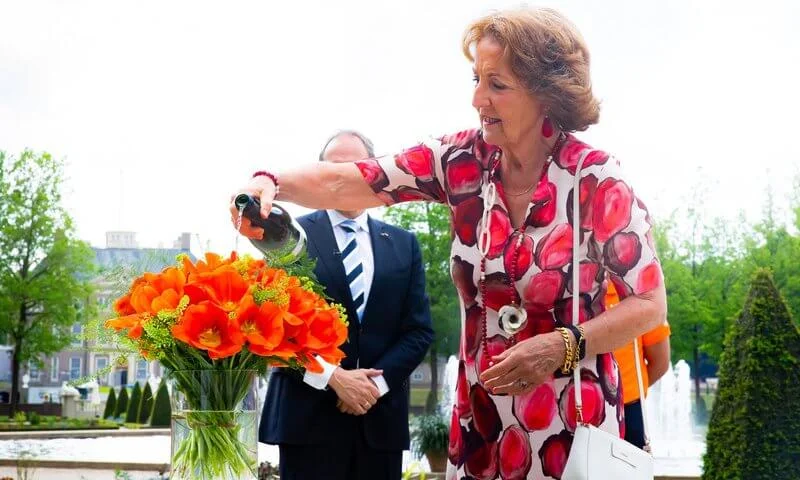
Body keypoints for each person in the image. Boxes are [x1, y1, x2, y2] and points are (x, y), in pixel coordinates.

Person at [233, 7, 667, 479]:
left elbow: (648, 303)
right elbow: (352, 181)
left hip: (572, 428)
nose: (478, 98)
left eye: (497, 85)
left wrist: (561, 346)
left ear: (547, 93)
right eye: (476, 78)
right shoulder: (460, 160)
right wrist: (269, 181)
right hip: (480, 427)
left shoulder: (595, 178)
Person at [258, 130, 434, 480]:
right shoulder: (288, 238)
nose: (344, 177)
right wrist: (333, 378)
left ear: (372, 173)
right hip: (306, 422)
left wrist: (372, 387)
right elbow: (273, 327)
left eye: (356, 167)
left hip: (379, 424)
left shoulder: (404, 244)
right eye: (334, 169)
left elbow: (418, 331)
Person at [607, 280, 671, 449]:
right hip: (577, 411)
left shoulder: (639, 294)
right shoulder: (569, 295)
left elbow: (660, 362)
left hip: (628, 411)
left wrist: (629, 392)